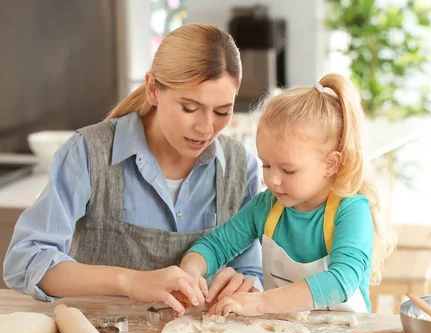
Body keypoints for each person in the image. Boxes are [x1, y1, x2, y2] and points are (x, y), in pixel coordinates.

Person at [2, 24, 263, 316]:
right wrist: (130, 281)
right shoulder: (88, 153)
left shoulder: (242, 168)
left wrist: (246, 285)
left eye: (221, 112)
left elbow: (249, 270)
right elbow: (25, 260)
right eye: (190, 108)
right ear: (153, 89)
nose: (205, 128)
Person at [179, 73, 397, 317]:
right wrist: (191, 272)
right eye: (266, 165)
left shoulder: (351, 211)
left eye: (288, 170)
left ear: (331, 164)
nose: (272, 179)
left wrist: (260, 303)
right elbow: (216, 245)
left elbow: (341, 280)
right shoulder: (266, 207)